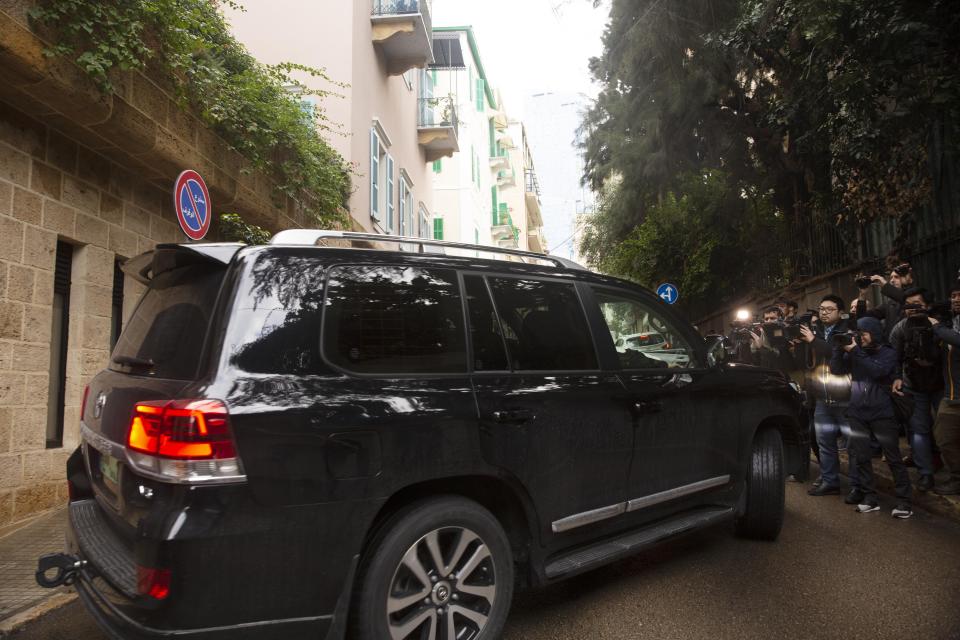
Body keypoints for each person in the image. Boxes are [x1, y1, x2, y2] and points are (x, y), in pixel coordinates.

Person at [831, 316, 913, 517]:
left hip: (882, 412)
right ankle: (870, 498)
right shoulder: (855, 352)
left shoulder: (887, 352)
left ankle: (904, 502)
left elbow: (877, 371)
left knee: (893, 457)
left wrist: (855, 351)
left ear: (874, 333)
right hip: (857, 411)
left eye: (863, 334)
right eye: (857, 334)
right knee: (861, 456)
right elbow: (836, 370)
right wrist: (838, 347)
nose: (860, 338)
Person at [799, 294, 860, 500]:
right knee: (824, 442)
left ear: (840, 312)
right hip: (822, 397)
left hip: (845, 396)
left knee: (853, 445)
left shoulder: (848, 329)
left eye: (829, 309)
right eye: (821, 309)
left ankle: (858, 485)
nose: (824, 312)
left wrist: (813, 341)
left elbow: (835, 353)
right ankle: (830, 481)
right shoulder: (815, 330)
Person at [889, 287, 944, 491]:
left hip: (943, 386)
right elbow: (893, 357)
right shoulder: (900, 329)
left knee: (947, 430)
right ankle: (925, 474)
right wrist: (896, 378)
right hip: (914, 385)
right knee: (918, 431)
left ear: (928, 306)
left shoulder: (939, 325)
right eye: (908, 306)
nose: (913, 309)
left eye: (917, 305)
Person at [930, 281, 960, 495]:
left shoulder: (945, 328)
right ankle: (957, 478)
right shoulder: (950, 324)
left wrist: (937, 328)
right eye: (953, 295)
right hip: (951, 396)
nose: (956, 299)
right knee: (944, 438)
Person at [748, 306, 797, 372]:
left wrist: (761, 347)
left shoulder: (786, 331)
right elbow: (755, 358)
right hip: (767, 371)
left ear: (780, 319)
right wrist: (754, 348)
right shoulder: (760, 332)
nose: (769, 321)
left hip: (783, 371)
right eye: (766, 319)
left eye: (772, 318)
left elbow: (777, 355)